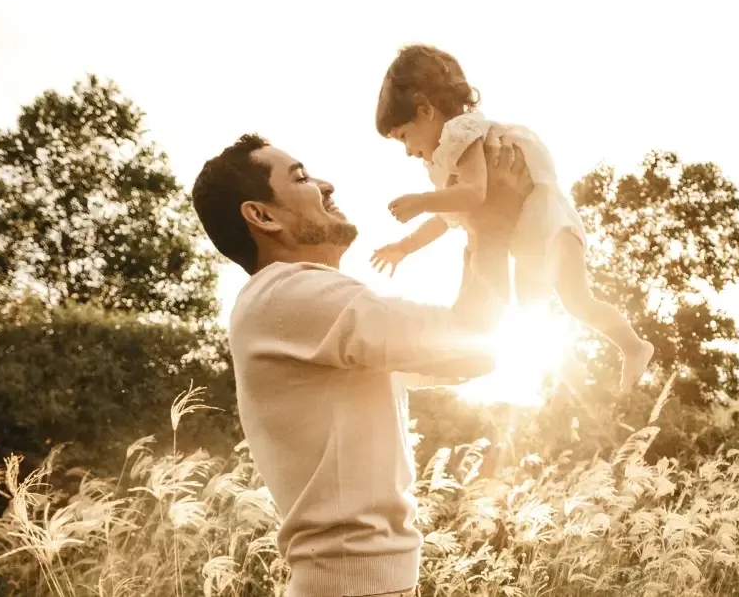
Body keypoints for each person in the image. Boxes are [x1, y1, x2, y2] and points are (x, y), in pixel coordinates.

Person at [190, 130, 531, 597]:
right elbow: (473, 340)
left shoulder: (299, 309)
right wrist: (489, 221)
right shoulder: (290, 295)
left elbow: (475, 354)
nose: (327, 185)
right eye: (302, 177)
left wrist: (478, 228)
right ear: (262, 215)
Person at [371, 44, 655, 392]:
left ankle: (621, 354)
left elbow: (473, 193)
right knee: (557, 305)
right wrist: (404, 246)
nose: (408, 151)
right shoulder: (449, 155)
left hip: (547, 221)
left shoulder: (461, 134)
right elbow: (449, 217)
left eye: (403, 136)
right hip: (532, 231)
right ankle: (615, 358)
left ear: (426, 111)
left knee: (554, 306)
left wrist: (421, 201)